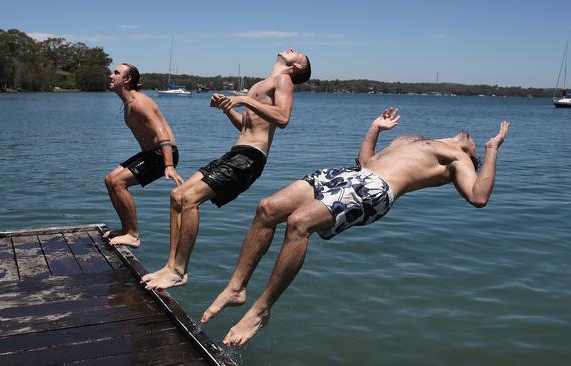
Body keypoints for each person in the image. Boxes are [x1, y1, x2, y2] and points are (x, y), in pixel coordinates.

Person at [201, 107, 510, 346]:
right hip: (351, 175)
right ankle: (236, 288)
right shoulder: (414, 141)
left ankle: (261, 310)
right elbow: (366, 162)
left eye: (476, 154)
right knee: (267, 208)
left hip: (376, 190)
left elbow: (479, 196)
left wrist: (491, 149)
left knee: (298, 224)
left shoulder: (459, 158)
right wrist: (374, 128)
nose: (472, 145)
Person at [141, 49, 312, 290]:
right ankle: (170, 266)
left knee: (189, 199)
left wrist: (243, 99)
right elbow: (246, 126)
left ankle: (179, 271)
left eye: (299, 54)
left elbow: (283, 118)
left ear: (296, 68)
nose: (292, 50)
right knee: (177, 196)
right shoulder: (260, 85)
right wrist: (227, 108)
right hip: (237, 152)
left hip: (250, 158)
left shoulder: (284, 80)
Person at [103, 63, 183, 247]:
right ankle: (126, 229)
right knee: (109, 179)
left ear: (126, 79)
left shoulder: (139, 102)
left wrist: (169, 165)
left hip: (162, 154)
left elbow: (161, 131)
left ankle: (133, 235)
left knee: (118, 182)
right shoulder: (128, 102)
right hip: (150, 153)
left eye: (116, 73)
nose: (110, 75)